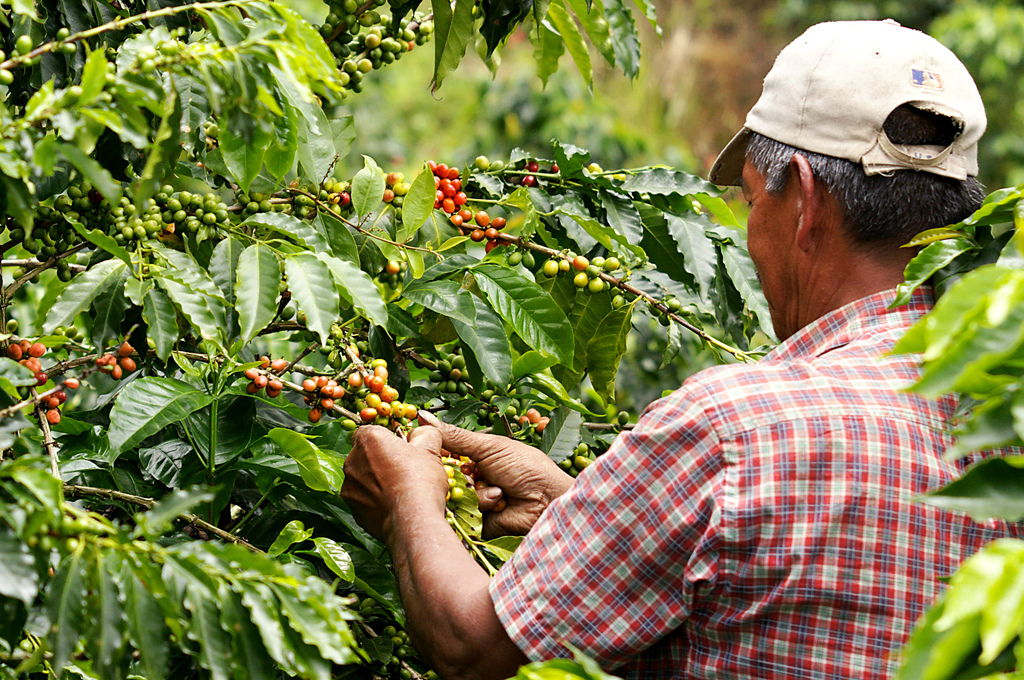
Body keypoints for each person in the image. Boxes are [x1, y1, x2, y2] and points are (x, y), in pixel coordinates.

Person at [340, 20, 1023, 680]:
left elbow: (473, 647)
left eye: (754, 202)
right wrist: (576, 510)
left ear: (806, 203)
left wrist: (407, 499)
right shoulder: (1004, 419)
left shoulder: (734, 430)